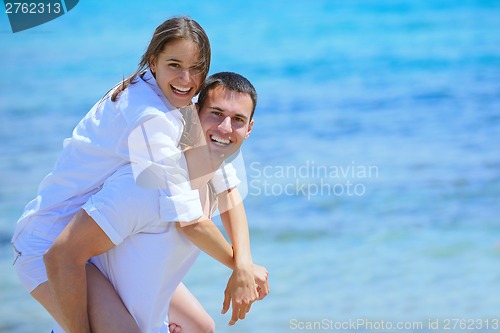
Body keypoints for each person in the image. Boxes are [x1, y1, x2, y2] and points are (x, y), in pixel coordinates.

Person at [10, 17, 266, 332]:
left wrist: (244, 263)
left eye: (196, 68)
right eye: (175, 64)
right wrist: (241, 269)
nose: (186, 79)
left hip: (96, 234)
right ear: (152, 60)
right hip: (52, 243)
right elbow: (190, 221)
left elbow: (228, 190)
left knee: (200, 327)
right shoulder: (151, 120)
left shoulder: (181, 103)